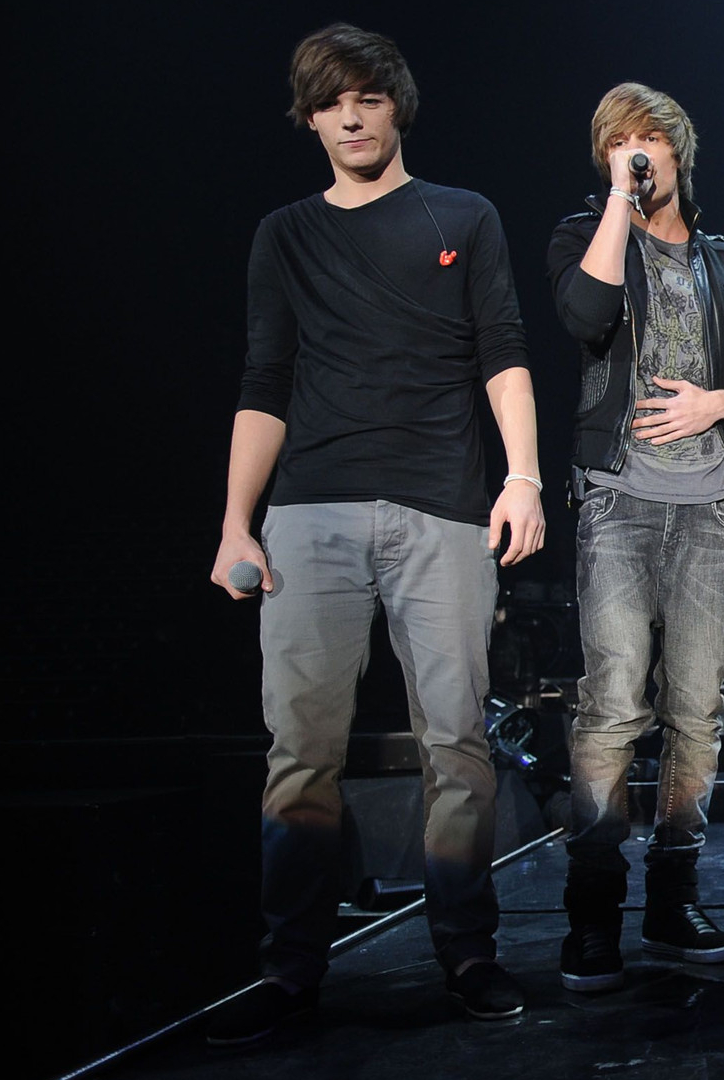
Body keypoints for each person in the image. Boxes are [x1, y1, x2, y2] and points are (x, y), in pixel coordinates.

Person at [206, 23, 545, 1042]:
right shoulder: (285, 234)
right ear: (309, 118)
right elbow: (264, 380)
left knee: (458, 743)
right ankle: (290, 971)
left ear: (398, 105)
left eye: (368, 96)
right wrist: (234, 524)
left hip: (443, 507)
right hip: (309, 509)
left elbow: (503, 351)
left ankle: (468, 953)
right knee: (300, 749)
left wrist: (523, 477)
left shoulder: (463, 215)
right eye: (330, 101)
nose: (350, 116)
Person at [545, 82, 724, 992]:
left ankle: (673, 898)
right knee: (611, 706)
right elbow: (584, 317)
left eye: (650, 139)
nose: (638, 153)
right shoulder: (584, 235)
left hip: (711, 505)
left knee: (696, 711)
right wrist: (618, 199)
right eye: (619, 142)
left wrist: (713, 404)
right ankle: (593, 910)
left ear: (681, 148)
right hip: (618, 498)